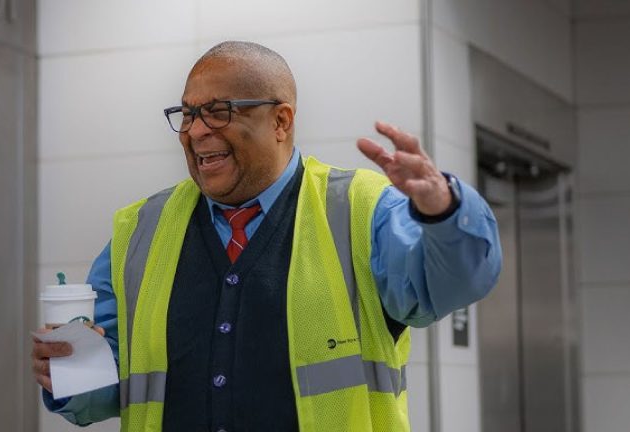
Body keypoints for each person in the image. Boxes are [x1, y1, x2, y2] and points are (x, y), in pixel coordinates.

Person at [32, 41, 501, 432]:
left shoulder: (361, 210)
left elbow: (454, 285)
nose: (195, 131)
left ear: (281, 121)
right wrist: (67, 371)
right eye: (188, 113)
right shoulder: (140, 231)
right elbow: (106, 391)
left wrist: (444, 212)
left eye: (217, 112)